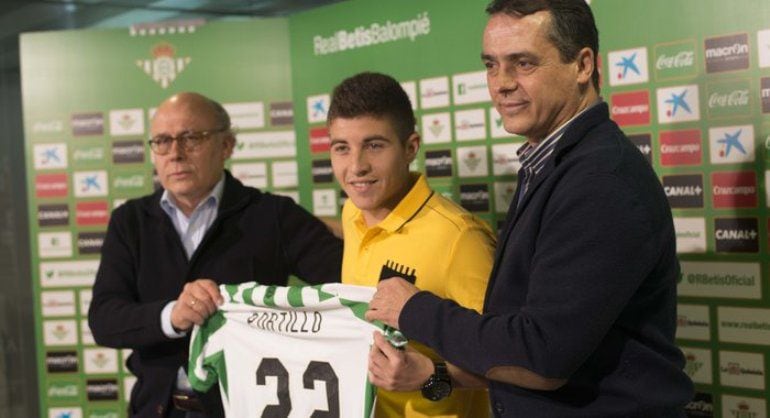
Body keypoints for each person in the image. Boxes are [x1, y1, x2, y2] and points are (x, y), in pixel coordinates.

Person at [365, 1, 694, 417]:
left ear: (582, 65)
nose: (501, 83)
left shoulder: (601, 181)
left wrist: (413, 309)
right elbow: (526, 351)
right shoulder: (551, 165)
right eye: (490, 65)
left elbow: (541, 357)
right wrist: (434, 374)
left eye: (522, 63)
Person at [88, 92, 343, 418]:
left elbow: (348, 279)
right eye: (163, 142)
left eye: (191, 138)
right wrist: (172, 316)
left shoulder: (272, 215)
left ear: (227, 146)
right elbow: (104, 319)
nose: (175, 154)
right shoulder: (130, 222)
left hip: (249, 408)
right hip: (157, 408)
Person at [327, 71, 496, 418]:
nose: (356, 166)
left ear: (411, 147)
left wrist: (429, 374)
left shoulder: (460, 239)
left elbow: (507, 365)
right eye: (342, 148)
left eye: (374, 145)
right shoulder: (352, 213)